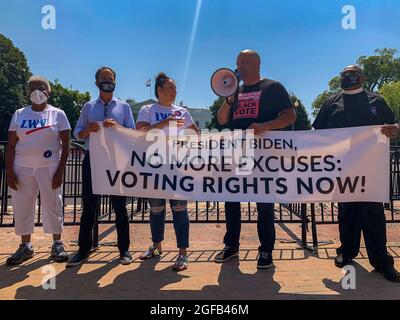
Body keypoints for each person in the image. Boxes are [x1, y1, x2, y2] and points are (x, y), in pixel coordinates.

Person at [312, 64, 400, 282]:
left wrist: (396, 129)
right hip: (342, 169)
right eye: (344, 74)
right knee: (347, 214)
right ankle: (346, 253)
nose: (348, 77)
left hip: (371, 169)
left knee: (373, 215)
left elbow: (393, 126)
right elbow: (317, 134)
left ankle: (381, 262)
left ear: (362, 78)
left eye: (352, 74)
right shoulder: (331, 103)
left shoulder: (376, 101)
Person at [215, 50, 296, 269]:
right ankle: (231, 246)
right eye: (237, 63)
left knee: (265, 205)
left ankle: (266, 250)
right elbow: (222, 120)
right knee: (231, 201)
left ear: (257, 63)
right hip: (238, 154)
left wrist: (266, 126)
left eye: (243, 62)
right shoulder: (235, 92)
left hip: (265, 156)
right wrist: (229, 99)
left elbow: (290, 116)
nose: (238, 67)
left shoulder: (273, 87)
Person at [67, 66, 135, 267]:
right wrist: (86, 131)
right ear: (97, 83)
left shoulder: (124, 108)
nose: (108, 81)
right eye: (104, 79)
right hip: (93, 160)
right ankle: (83, 249)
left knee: (120, 207)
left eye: (111, 78)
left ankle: (124, 250)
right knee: (89, 207)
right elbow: (76, 132)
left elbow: (131, 133)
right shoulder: (88, 107)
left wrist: (118, 128)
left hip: (115, 161)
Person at [136, 72, 199, 271]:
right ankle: (156, 245)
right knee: (156, 210)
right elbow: (140, 133)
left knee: (180, 209)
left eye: (175, 88)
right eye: (171, 88)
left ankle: (182, 254)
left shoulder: (182, 111)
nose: (175, 91)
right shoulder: (148, 109)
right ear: (159, 90)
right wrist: (166, 123)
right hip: (153, 166)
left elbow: (195, 133)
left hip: (177, 166)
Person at [6, 75, 71, 265]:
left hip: (49, 166)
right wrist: (10, 172)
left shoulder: (58, 114)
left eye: (41, 87)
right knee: (23, 204)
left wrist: (60, 170)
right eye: (33, 88)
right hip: (22, 166)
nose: (37, 91)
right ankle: (25, 245)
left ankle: (57, 243)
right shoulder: (19, 114)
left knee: (53, 203)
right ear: (27, 93)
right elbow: (10, 145)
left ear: (48, 92)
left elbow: (66, 144)